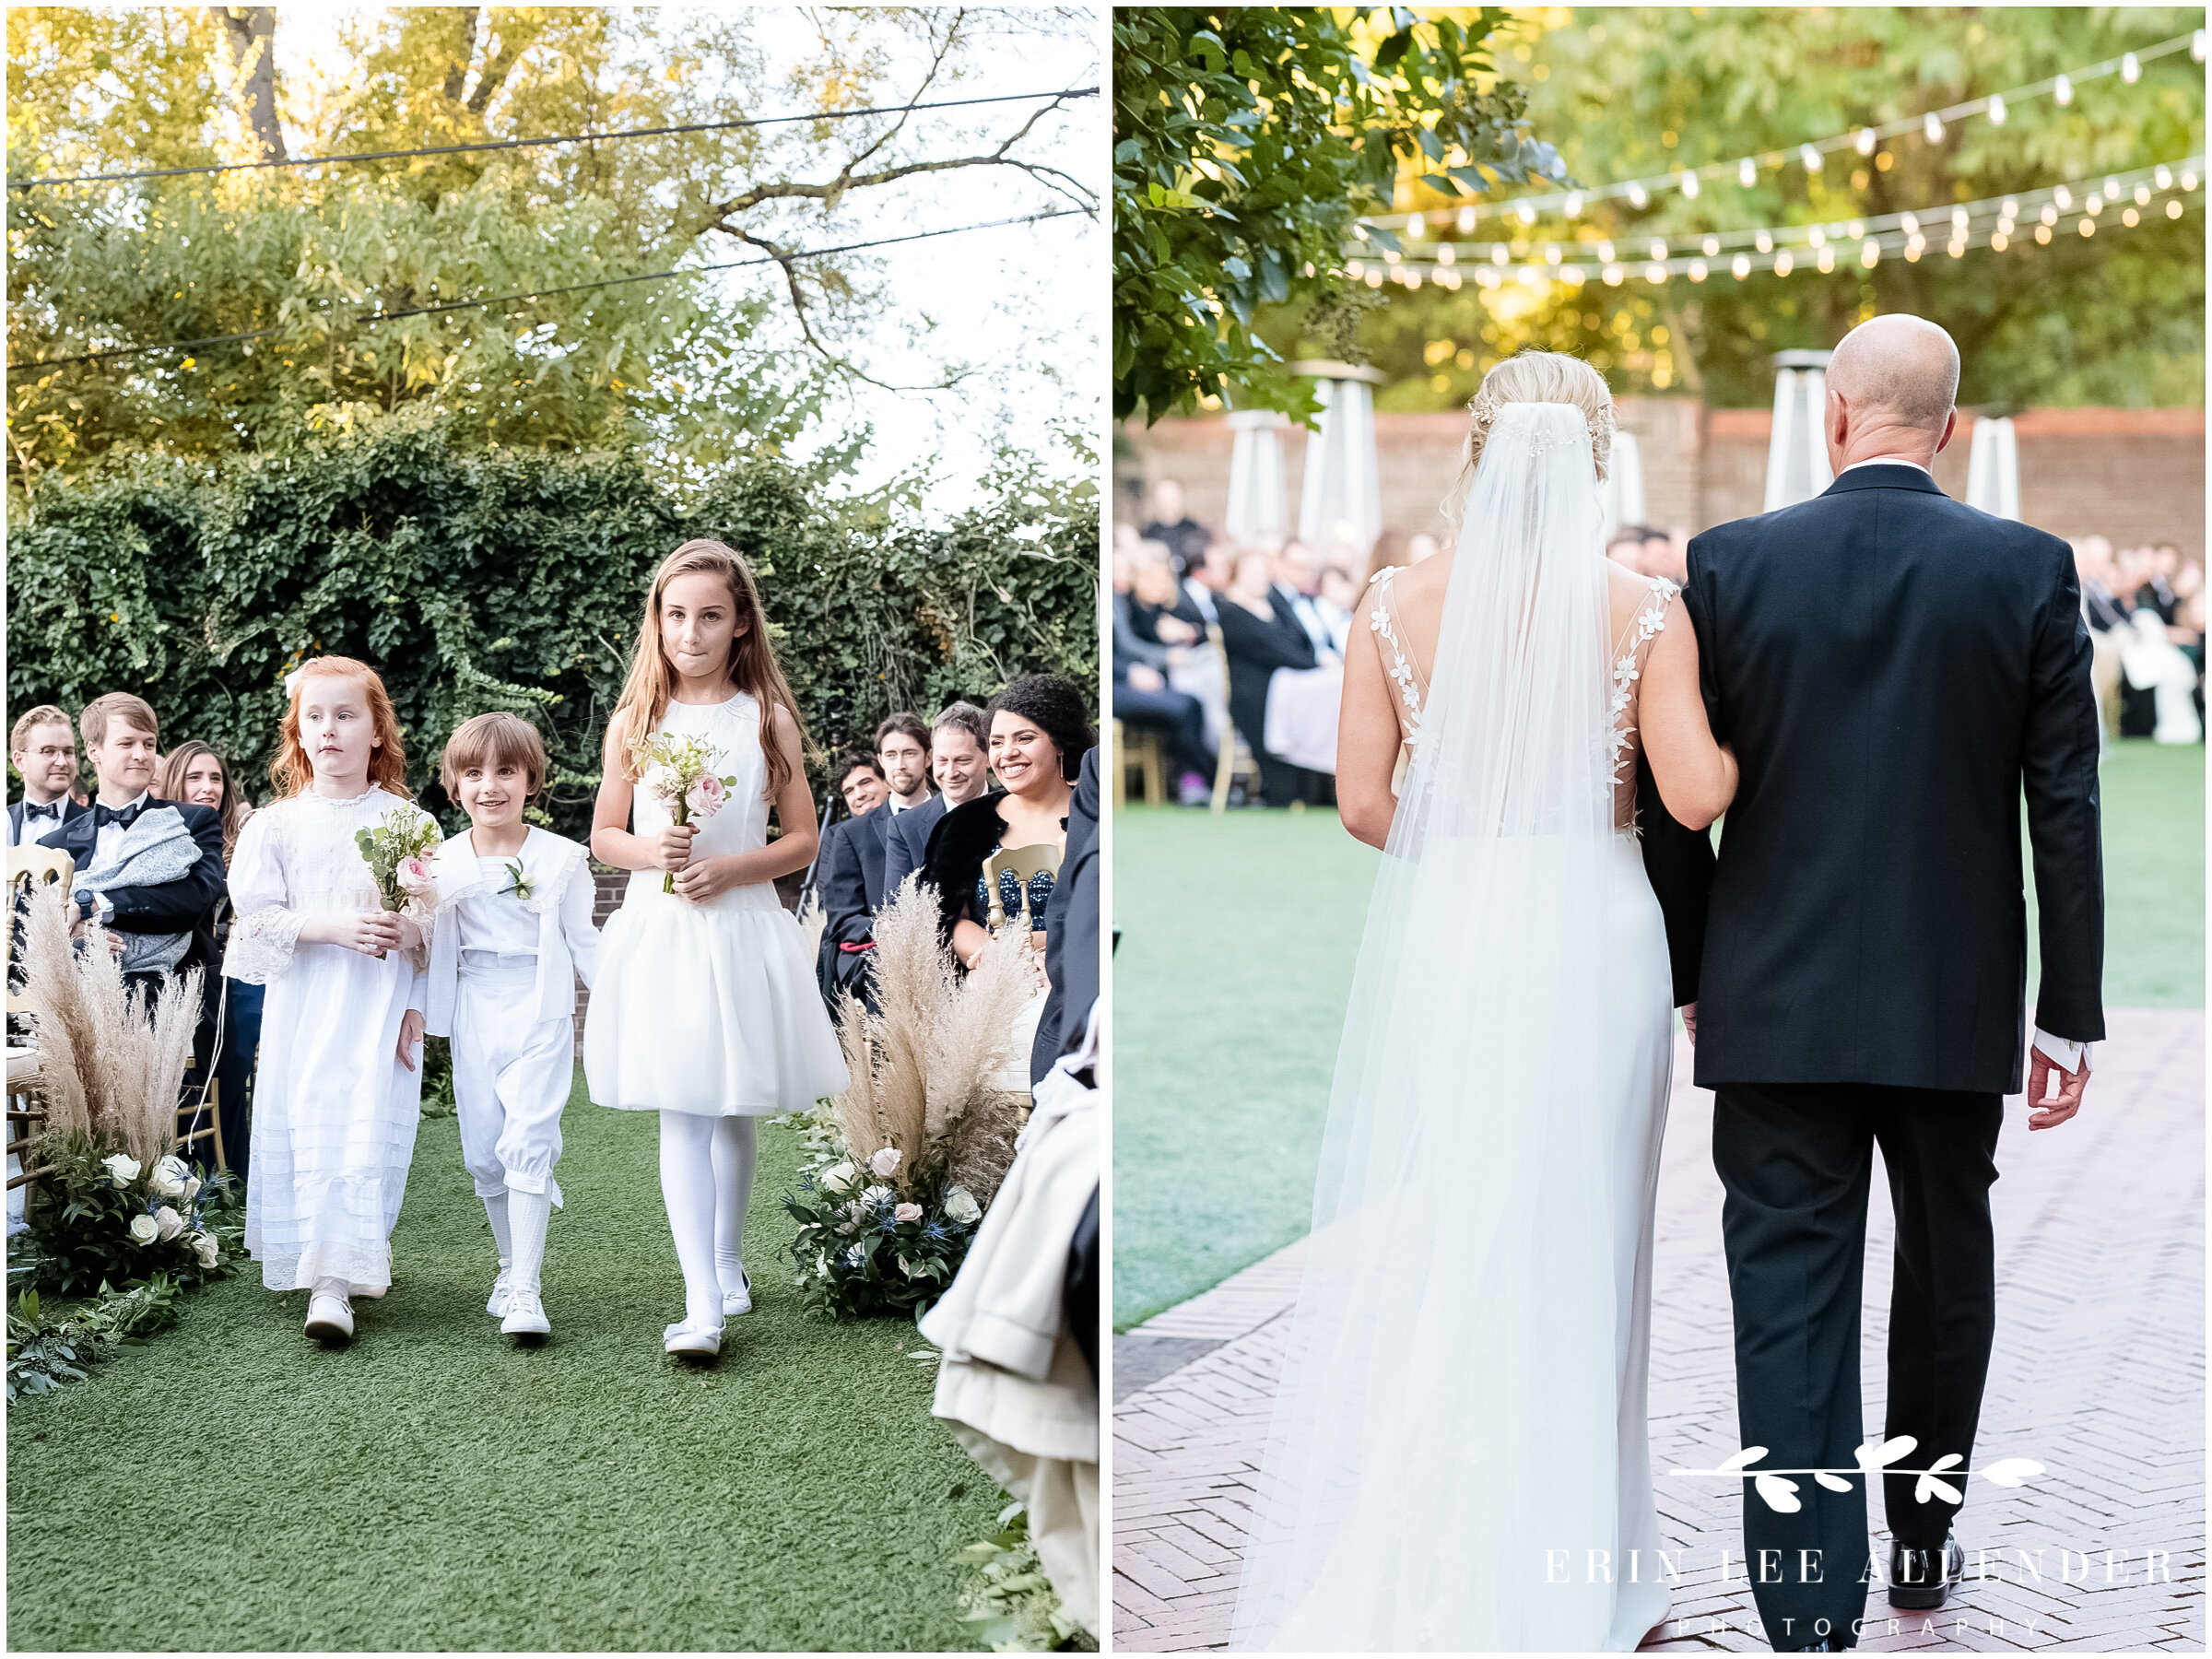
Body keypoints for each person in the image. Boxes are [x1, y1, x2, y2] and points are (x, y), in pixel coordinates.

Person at [1232, 353, 1735, 1653]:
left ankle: (1454, 1546)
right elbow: (1693, 797)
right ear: (1598, 460)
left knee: (1468, 1231)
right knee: (1591, 1239)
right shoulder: (1643, 606)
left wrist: (1466, 867)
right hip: (1599, 933)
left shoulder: (1394, 604)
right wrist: (1759, 729)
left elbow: (1359, 801)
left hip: (1458, 924)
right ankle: (1588, 1572)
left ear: (1471, 451)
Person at [1682, 314, 2102, 1650]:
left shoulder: (1730, 563)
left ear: (1837, 416)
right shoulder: (2027, 568)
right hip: (1952, 997)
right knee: (1943, 1274)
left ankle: (1807, 1611)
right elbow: (2068, 808)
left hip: (1772, 998)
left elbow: (1673, 802)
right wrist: (2071, 1015)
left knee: (1788, 1299)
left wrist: (1697, 970)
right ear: (1952, 428)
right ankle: (1921, 1536)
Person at [583, 539, 846, 1360]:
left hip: (740, 927)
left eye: (710, 617)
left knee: (735, 1102)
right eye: (675, 615)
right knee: (684, 1104)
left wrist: (732, 865)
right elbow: (603, 835)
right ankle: (702, 1301)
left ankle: (728, 1258)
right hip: (663, 935)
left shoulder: (766, 719)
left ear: (739, 627)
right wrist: (651, 852)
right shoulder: (636, 721)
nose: (690, 633)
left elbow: (802, 840)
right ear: (656, 623)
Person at [222, 659, 438, 1347]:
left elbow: (438, 930)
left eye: (346, 716)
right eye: (314, 717)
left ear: (377, 731)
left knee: (364, 1124)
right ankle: (327, 1281)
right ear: (298, 733)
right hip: (307, 1011)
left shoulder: (410, 825)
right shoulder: (275, 828)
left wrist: (410, 937)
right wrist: (329, 926)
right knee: (313, 1119)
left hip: (377, 1008)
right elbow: (252, 930)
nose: (330, 730)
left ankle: (348, 1267)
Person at [423, 712, 600, 1342]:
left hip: (539, 1004)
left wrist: (622, 1005)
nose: (489, 786)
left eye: (505, 771)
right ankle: (507, 1265)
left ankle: (527, 1288)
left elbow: (584, 941)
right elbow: (424, 944)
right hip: (475, 1003)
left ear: (532, 780)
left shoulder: (560, 859)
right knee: (484, 1153)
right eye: (474, 773)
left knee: (528, 1137)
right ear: (454, 783)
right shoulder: (438, 863)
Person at [44, 694, 227, 1149]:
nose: (142, 754)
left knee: (131, 999)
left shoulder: (191, 822)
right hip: (80, 992)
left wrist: (95, 907)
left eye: (149, 743)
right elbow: (39, 923)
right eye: (128, 743)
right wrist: (77, 939)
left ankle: (140, 1161)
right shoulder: (57, 842)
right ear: (94, 750)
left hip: (172, 985)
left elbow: (193, 899)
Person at [924, 676, 1093, 1088]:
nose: (1007, 753)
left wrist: (1050, 953)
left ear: (1060, 742)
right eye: (997, 742)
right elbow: (940, 918)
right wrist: (996, 957)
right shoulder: (964, 824)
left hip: (1077, 978)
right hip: (995, 982)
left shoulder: (1094, 815)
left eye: (1024, 738)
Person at [156, 740, 259, 1182]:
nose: (208, 787)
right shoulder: (159, 840)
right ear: (174, 782)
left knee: (234, 1042)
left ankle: (228, 1170)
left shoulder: (246, 837)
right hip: (186, 972)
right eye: (195, 777)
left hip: (240, 972)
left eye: (215, 778)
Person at [818, 715, 930, 1010]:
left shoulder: (953, 815)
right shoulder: (849, 835)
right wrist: (883, 928)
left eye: (909, 753)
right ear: (883, 761)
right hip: (879, 954)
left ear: (928, 757)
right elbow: (841, 915)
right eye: (891, 755)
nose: (900, 764)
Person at [1218, 548, 1323, 806]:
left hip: (1289, 692)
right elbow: (1281, 651)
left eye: (1264, 573)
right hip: (1255, 699)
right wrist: (1314, 662)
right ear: (1236, 575)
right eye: (1252, 572)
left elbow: (1302, 639)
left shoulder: (1273, 604)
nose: (1260, 579)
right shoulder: (1230, 611)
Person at [883, 702, 994, 895]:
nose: (950, 773)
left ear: (988, 756)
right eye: (942, 761)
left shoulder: (1018, 808)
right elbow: (896, 910)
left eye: (963, 760)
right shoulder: (904, 828)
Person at [8, 706, 87, 846]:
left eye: (68, 752)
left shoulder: (94, 825)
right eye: (48, 751)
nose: (62, 762)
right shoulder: (4, 820)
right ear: (19, 760)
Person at [1140, 477, 1212, 577]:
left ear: (1182, 498)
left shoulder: (1195, 530)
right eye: (1163, 499)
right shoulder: (1148, 531)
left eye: (1173, 498)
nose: (1168, 504)